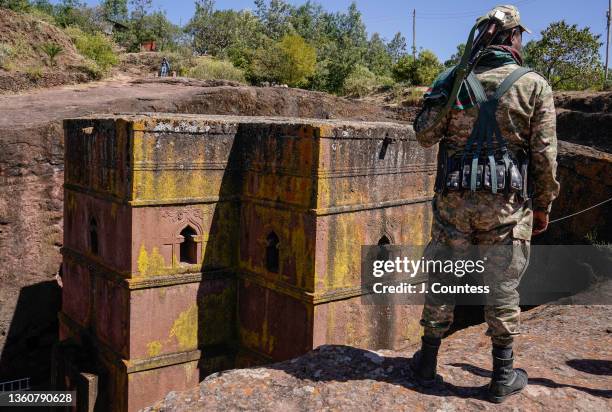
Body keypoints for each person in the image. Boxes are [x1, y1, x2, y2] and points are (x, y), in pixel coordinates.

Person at [410, 4, 560, 403]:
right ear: (512, 38)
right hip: (506, 210)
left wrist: (448, 92)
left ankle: (426, 364)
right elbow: (545, 156)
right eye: (520, 36)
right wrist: (543, 205)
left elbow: (424, 133)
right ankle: (502, 376)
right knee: (503, 286)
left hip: (453, 206)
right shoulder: (534, 86)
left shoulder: (452, 79)